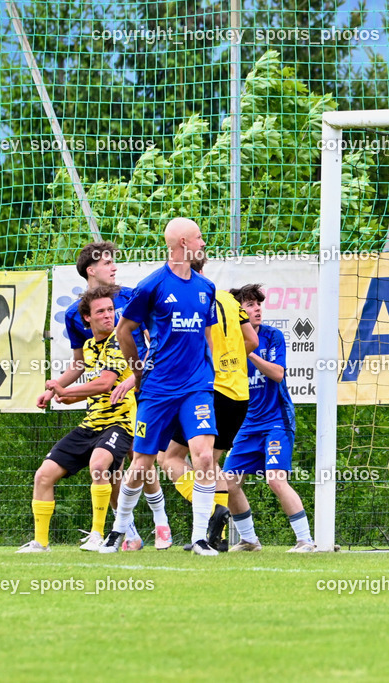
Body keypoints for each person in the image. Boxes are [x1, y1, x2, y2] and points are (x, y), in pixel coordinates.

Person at [101, 218, 221, 555]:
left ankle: (199, 537)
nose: (203, 241)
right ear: (183, 242)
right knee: (141, 464)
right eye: (199, 236)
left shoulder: (206, 287)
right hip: (157, 388)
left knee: (203, 457)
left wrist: (209, 371)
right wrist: (138, 372)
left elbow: (207, 334)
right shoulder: (152, 285)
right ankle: (118, 530)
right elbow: (124, 330)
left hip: (197, 387)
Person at [63, 241, 168, 551]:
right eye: (107, 262)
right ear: (90, 270)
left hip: (142, 387)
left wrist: (140, 374)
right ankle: (129, 533)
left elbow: (154, 339)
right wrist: (57, 386)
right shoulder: (75, 314)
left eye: (114, 261)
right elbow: (79, 364)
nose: (114, 267)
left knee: (143, 457)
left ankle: (161, 523)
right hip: (107, 398)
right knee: (110, 469)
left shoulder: (134, 296)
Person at [150, 256, 258, 552]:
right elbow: (251, 341)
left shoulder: (192, 300)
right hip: (239, 394)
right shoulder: (228, 300)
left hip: (210, 390)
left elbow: (188, 343)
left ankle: (212, 511)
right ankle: (217, 536)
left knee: (169, 458)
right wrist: (230, 358)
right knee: (210, 462)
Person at [17, 285, 137, 553]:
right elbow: (88, 389)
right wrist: (58, 395)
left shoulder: (119, 340)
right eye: (101, 312)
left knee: (99, 464)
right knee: (43, 475)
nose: (109, 316)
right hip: (92, 423)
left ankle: (98, 534)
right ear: (87, 318)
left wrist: (64, 390)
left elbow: (105, 384)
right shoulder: (88, 347)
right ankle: (41, 543)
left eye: (111, 310)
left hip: (120, 422)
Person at [222, 284, 316, 553]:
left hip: (276, 420)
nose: (257, 309)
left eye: (258, 304)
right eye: (250, 305)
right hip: (247, 424)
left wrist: (248, 351)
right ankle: (250, 540)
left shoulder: (272, 336)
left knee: (275, 479)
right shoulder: (227, 343)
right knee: (229, 482)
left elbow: (277, 373)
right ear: (237, 312)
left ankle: (305, 540)